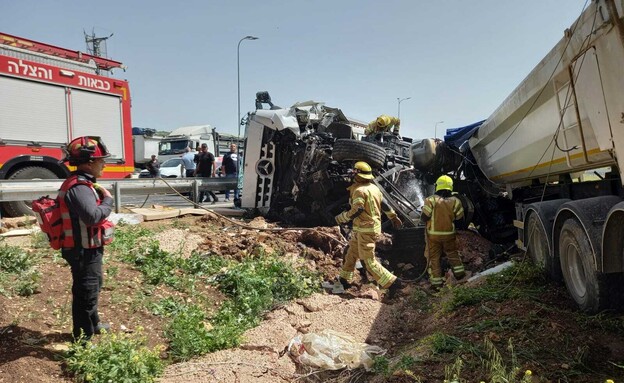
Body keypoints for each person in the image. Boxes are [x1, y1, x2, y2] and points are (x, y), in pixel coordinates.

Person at [59, 136, 115, 341]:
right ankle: (83, 339)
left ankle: (94, 323)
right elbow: (92, 217)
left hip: (88, 248)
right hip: (81, 250)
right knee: (86, 293)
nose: (105, 164)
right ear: (89, 163)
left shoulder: (85, 183)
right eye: (102, 161)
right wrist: (108, 201)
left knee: (94, 284)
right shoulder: (79, 187)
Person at [334, 161, 404, 298]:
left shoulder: (359, 190)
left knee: (368, 261)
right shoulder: (373, 188)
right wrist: (393, 217)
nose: (352, 176)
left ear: (359, 176)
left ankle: (393, 283)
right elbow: (384, 204)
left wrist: (342, 217)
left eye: (354, 173)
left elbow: (358, 209)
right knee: (351, 253)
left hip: (366, 229)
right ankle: (344, 280)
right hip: (364, 229)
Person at [420, 175, 465, 290]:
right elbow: (460, 219)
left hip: (433, 236)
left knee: (434, 258)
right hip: (449, 235)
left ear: (437, 186)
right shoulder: (456, 201)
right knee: (452, 253)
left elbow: (424, 217)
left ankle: (437, 284)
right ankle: (460, 276)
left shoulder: (431, 200)